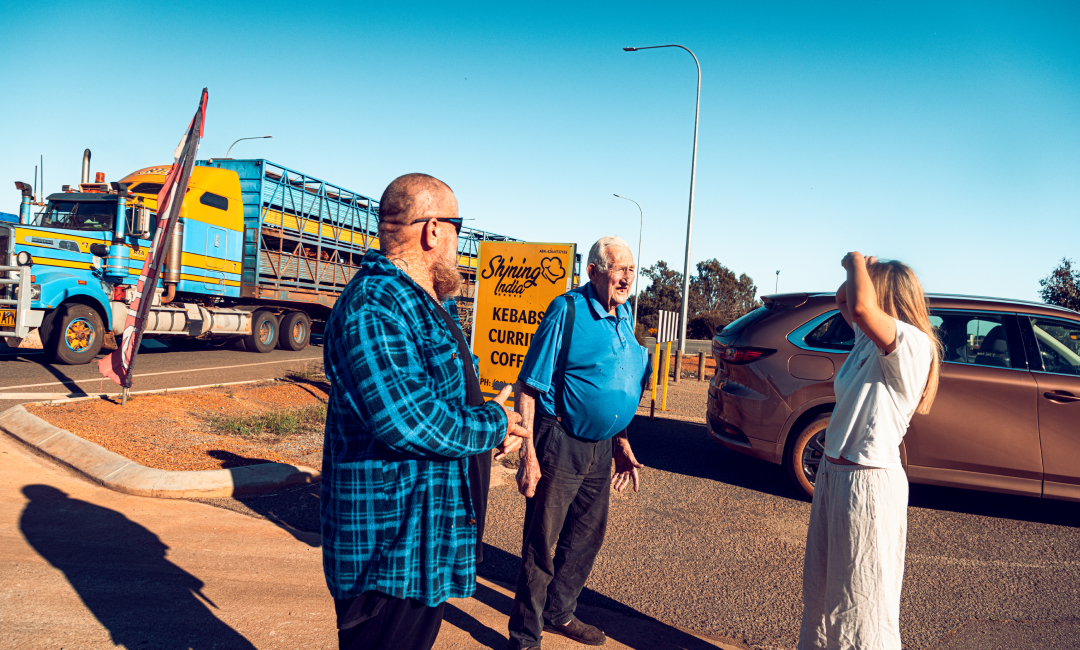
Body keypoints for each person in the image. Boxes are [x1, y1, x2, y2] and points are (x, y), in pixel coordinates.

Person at [321, 173, 531, 650]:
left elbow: (439, 399)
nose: (462, 244)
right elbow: (409, 420)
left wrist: (485, 420)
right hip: (388, 554)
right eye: (460, 229)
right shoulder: (374, 305)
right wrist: (492, 425)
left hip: (422, 545)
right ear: (433, 230)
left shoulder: (426, 302)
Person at [499, 236, 652, 650]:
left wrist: (620, 439)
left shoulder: (624, 317)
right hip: (560, 441)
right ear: (593, 271)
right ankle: (525, 637)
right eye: (618, 268)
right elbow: (528, 387)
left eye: (631, 270)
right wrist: (528, 456)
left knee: (586, 535)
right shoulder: (565, 310)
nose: (626, 277)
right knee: (541, 543)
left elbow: (615, 383)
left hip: (601, 448)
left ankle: (559, 612)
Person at [798, 252, 941, 650]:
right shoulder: (869, 340)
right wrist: (860, 272)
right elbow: (847, 301)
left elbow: (859, 305)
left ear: (885, 296)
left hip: (868, 485)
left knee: (862, 603)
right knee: (823, 591)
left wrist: (854, 261)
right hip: (835, 477)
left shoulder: (911, 344)